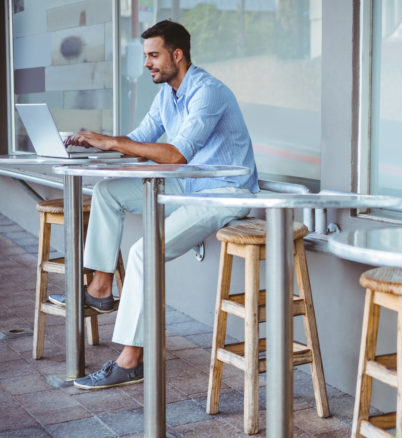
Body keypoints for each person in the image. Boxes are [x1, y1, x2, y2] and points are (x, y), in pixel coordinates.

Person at [49, 20, 259, 390]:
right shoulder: (168, 95)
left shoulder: (207, 92)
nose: (147, 63)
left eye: (153, 55)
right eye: (145, 56)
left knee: (143, 253)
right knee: (108, 191)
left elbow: (176, 154)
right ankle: (100, 290)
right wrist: (98, 141)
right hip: (189, 184)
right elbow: (140, 139)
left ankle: (131, 361)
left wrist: (113, 144)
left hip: (222, 191)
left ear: (177, 54)